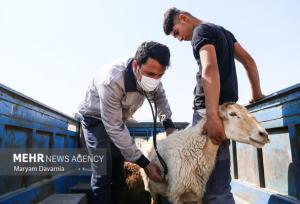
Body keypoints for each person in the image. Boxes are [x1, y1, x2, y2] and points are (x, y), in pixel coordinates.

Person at [163, 8, 264, 204]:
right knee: (220, 180)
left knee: (207, 188)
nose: (179, 39)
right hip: (225, 112)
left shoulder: (200, 32)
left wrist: (211, 116)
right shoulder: (224, 32)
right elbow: (249, 61)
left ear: (183, 18)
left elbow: (209, 68)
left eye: (176, 32)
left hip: (207, 114)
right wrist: (257, 94)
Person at [78, 41, 176, 204]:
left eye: (160, 75)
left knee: (118, 171)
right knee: (102, 172)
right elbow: (114, 127)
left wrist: (169, 125)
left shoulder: (152, 76)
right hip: (94, 120)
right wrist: (145, 164)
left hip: (118, 119)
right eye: (151, 74)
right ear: (136, 65)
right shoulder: (112, 80)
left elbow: (160, 97)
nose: (155, 79)